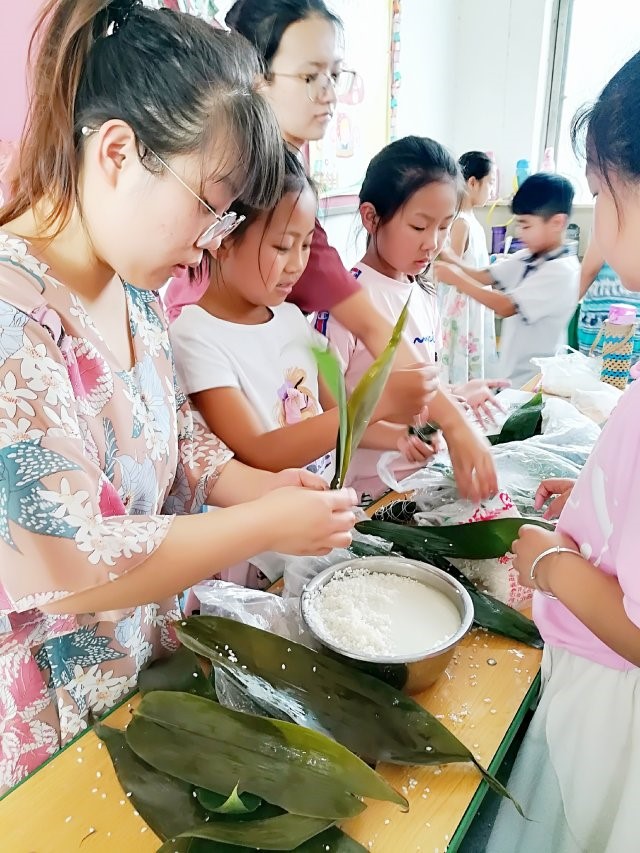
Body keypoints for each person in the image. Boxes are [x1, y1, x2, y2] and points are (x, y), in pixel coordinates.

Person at [0, 0, 358, 792]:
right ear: (118, 152)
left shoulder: (135, 292)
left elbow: (178, 440)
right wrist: (264, 523)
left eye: (225, 217)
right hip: (45, 729)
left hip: (141, 681)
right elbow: (74, 562)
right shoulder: (13, 317)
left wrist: (260, 488)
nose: (208, 243)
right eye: (207, 204)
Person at [166, 0, 498, 503]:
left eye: (335, 75)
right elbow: (261, 449)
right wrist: (441, 418)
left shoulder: (286, 309)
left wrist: (413, 426)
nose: (328, 94)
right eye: (309, 76)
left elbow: (331, 415)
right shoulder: (196, 326)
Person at [486, 50, 640, 852]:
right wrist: (590, 507)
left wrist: (548, 560)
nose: (596, 225)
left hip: (614, 709)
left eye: (603, 196)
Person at [170, 146, 433, 500]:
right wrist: (381, 401)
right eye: (282, 247)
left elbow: (337, 418)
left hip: (322, 510)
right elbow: (262, 450)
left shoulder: (291, 317)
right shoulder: (194, 336)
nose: (297, 264)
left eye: (306, 245)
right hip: (271, 527)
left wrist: (399, 437)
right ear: (223, 239)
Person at [436, 173, 580, 388]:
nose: (520, 233)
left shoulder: (562, 271)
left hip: (536, 380)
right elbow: (484, 276)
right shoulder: (529, 257)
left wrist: (456, 278)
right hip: (512, 373)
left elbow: (506, 306)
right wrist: (449, 257)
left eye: (526, 226)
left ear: (557, 222)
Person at [438, 150, 499, 384]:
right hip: (463, 306)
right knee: (461, 359)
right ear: (472, 182)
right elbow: (450, 268)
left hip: (475, 302)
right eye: (490, 183)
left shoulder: (470, 220)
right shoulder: (461, 222)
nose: (491, 190)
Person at [577, 237, 640, 362]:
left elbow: (585, 275)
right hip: (598, 334)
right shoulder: (611, 229)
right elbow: (586, 275)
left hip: (629, 336)